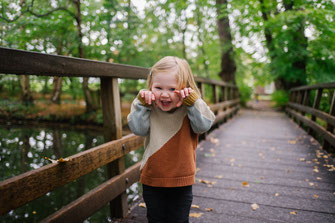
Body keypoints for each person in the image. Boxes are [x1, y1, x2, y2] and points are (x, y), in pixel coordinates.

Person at [127, 56, 215, 223]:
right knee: (156, 219)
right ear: (150, 86)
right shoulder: (147, 107)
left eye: (172, 89)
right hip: (152, 178)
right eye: (158, 87)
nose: (165, 94)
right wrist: (140, 105)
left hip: (181, 180)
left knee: (179, 219)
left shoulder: (190, 109)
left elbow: (203, 126)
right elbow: (138, 129)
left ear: (184, 88)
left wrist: (193, 102)